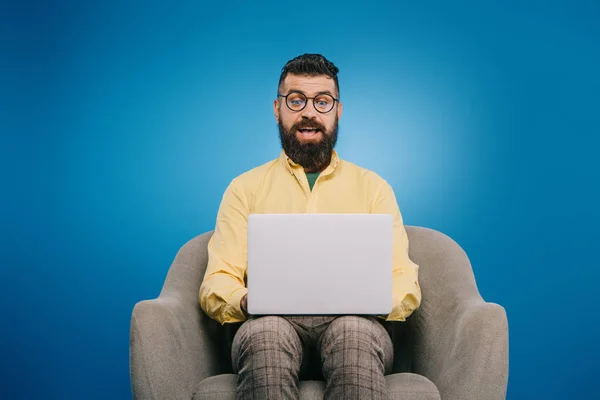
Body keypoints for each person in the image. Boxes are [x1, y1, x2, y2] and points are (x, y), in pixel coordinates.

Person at [199, 53, 421, 400]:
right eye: (296, 100)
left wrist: (375, 299)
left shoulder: (374, 188)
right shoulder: (244, 189)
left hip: (358, 325)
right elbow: (217, 280)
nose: (309, 113)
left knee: (352, 333)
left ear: (338, 111)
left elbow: (404, 280)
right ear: (277, 109)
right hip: (271, 324)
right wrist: (246, 300)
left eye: (322, 101)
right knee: (266, 333)